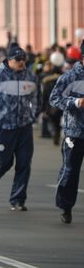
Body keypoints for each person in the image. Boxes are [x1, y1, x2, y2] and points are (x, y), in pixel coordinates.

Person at [0, 44, 42, 211]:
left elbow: (38, 98)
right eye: (17, 59)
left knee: (24, 164)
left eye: (23, 59)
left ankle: (18, 199)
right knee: (3, 162)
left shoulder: (31, 77)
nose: (21, 62)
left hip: (24, 127)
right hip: (3, 127)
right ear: (9, 60)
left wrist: (33, 116)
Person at [49, 39, 84, 224]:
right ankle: (66, 206)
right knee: (71, 172)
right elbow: (54, 99)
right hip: (75, 133)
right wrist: (75, 103)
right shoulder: (70, 77)